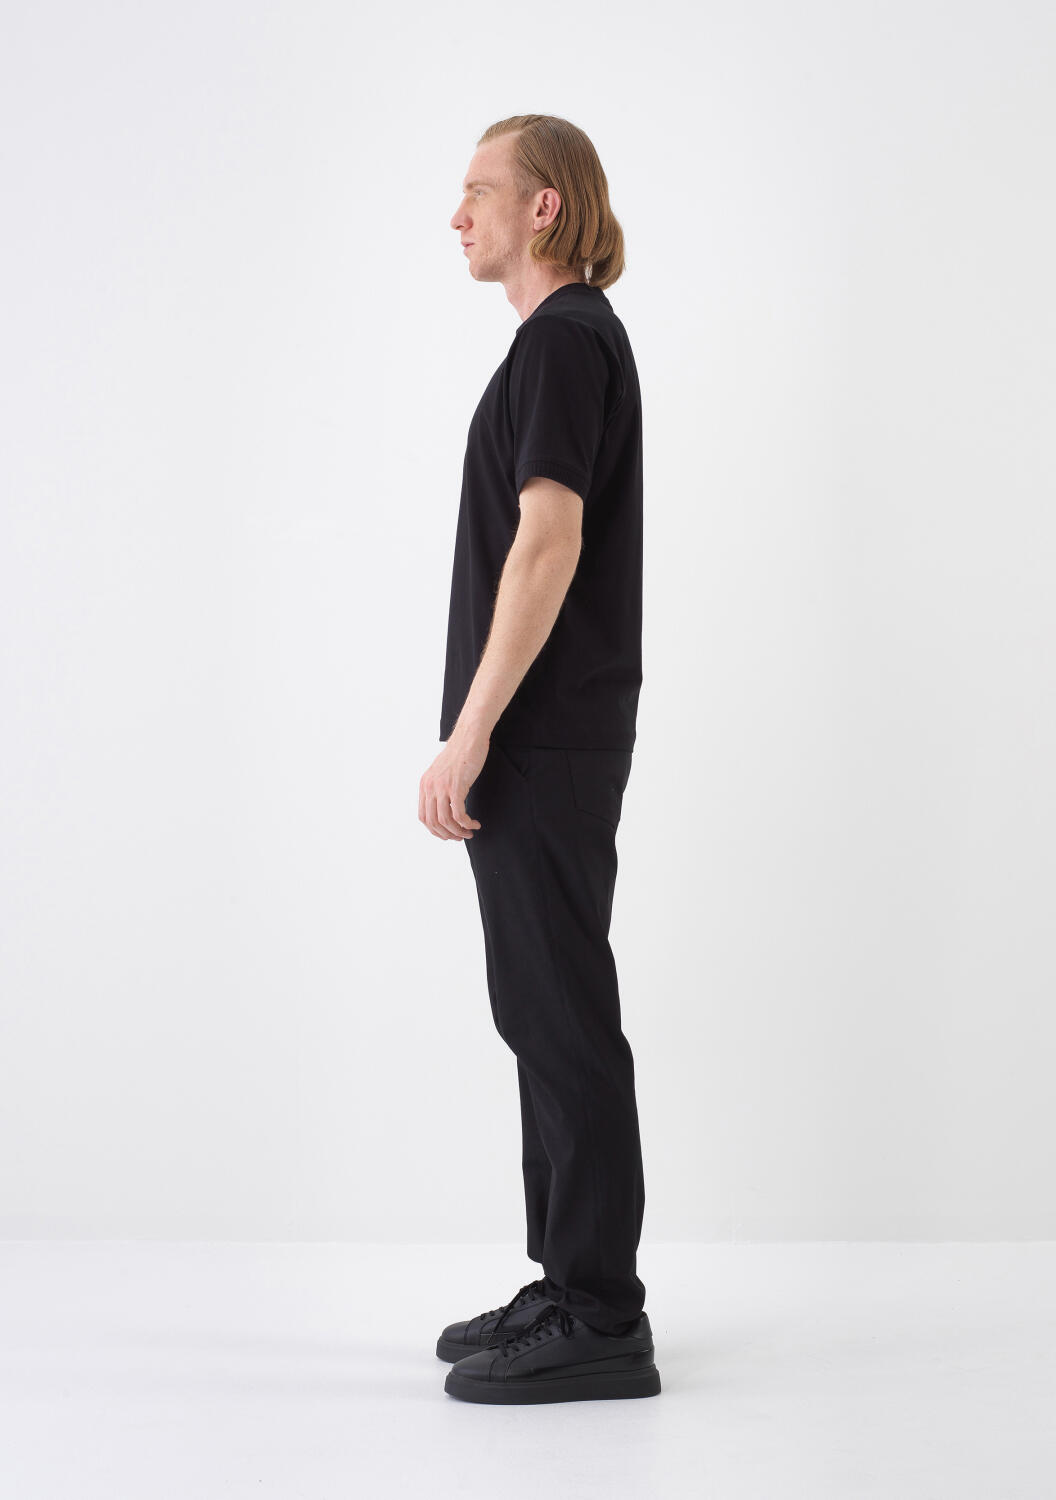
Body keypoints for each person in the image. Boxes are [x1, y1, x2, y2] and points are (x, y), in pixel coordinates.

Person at [418, 114, 659, 1405]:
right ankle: (566, 1281)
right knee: (540, 1004)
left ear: (545, 207)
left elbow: (548, 541)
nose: (457, 215)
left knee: (558, 1009)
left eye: (480, 191)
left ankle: (601, 1312)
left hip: (541, 733)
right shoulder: (558, 345)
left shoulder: (563, 341)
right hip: (547, 731)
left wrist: (471, 731)